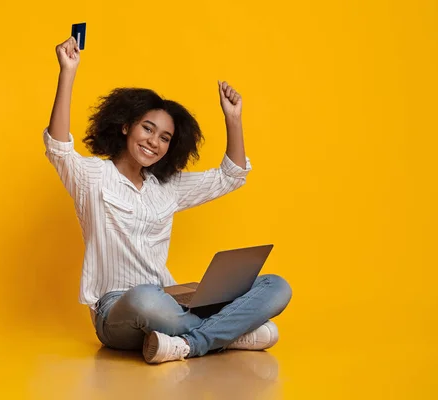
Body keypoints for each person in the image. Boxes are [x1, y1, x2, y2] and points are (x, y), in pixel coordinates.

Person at [45, 36, 292, 364]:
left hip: (171, 302)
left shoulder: (167, 187)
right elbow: (58, 147)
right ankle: (232, 334)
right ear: (125, 128)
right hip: (117, 311)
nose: (154, 142)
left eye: (164, 138)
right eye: (147, 129)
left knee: (276, 285)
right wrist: (68, 71)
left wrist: (233, 118)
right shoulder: (92, 177)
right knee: (146, 299)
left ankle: (190, 344)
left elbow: (230, 176)